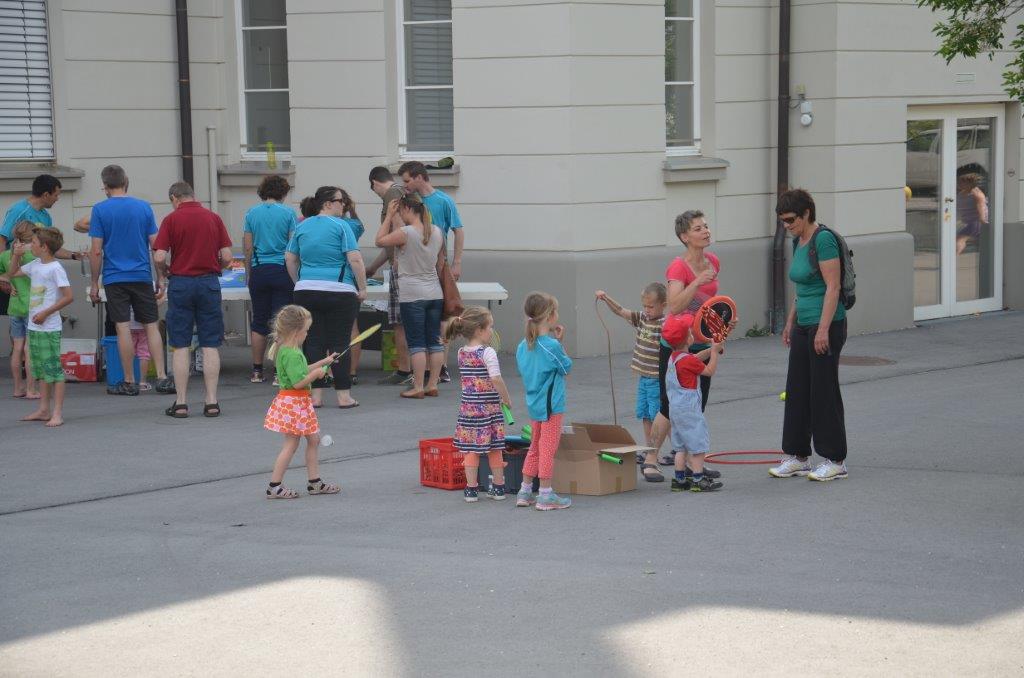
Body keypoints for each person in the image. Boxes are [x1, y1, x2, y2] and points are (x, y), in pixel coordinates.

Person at [770, 188, 849, 482]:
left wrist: (824, 329)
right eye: (782, 221)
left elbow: (833, 287)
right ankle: (797, 455)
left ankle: (834, 459)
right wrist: (791, 322)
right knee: (798, 389)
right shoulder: (797, 241)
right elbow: (801, 288)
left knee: (823, 391)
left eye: (791, 219)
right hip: (804, 322)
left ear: (806, 213)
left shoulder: (823, 240)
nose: (787, 225)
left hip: (825, 323)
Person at [647, 210, 731, 479]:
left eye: (706, 226)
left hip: (702, 340)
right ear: (684, 236)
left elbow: (708, 306)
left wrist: (724, 322)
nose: (705, 231)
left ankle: (695, 462)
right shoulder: (678, 267)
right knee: (669, 404)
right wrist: (696, 281)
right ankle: (650, 460)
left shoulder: (714, 261)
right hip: (676, 343)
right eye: (697, 228)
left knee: (696, 403)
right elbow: (674, 305)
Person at [87, 165, 174, 396]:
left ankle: (129, 381)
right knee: (151, 326)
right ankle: (163, 378)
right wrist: (161, 277)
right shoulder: (143, 207)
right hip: (141, 275)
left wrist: (95, 282)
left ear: (105, 186)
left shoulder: (99, 210)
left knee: (123, 327)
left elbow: (96, 251)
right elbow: (156, 246)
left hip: (115, 277)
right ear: (126, 181)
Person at [153, 181, 233, 419]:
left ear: (174, 198)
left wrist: (165, 270)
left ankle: (181, 403)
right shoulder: (213, 218)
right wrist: (216, 267)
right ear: (192, 195)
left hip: (181, 283)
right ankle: (211, 402)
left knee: (180, 343)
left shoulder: (171, 219)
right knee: (210, 343)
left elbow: (158, 255)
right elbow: (227, 256)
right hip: (208, 282)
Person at [286, 186, 367, 409]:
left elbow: (290, 258)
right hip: (340, 290)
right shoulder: (342, 226)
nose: (344, 205)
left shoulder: (302, 226)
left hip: (306, 290)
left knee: (313, 342)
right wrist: (362, 287)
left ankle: (316, 397)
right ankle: (343, 396)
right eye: (341, 201)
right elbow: (355, 259)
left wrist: (299, 283)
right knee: (339, 342)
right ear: (328, 203)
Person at [263, 304, 341, 499]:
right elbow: (298, 382)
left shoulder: (288, 350)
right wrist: (317, 374)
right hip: (295, 403)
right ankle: (275, 486)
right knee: (291, 444)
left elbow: (301, 369)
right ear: (297, 331)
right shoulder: (291, 353)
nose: (307, 334)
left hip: (296, 403)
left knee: (313, 440)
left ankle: (314, 483)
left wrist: (324, 361)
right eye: (306, 330)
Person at [594, 283, 667, 482]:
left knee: (658, 417)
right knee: (645, 416)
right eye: (645, 306)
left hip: (655, 378)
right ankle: (651, 451)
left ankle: (663, 452)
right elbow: (621, 311)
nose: (647, 310)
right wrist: (606, 297)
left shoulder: (665, 324)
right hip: (643, 376)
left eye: (651, 307)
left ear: (663, 305)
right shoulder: (643, 318)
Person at [399, 160, 464, 384]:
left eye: (407, 180)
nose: (405, 185)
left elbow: (458, 230)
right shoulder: (410, 202)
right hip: (415, 266)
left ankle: (441, 365)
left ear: (419, 177)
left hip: (439, 264)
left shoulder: (443, 201)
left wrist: (456, 261)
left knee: (443, 314)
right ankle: (422, 369)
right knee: (422, 317)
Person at [1, 228, 73, 427]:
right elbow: (13, 273)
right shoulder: (35, 265)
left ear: (44, 247)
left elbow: (68, 296)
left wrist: (45, 313)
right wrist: (16, 255)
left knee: (54, 371)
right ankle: (43, 409)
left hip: (49, 327)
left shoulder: (56, 268)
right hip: (35, 326)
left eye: (33, 242)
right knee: (40, 370)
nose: (29, 245)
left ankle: (56, 412)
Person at [375, 195, 443, 399]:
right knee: (435, 341)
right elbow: (440, 263)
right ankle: (433, 384)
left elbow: (379, 240)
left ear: (406, 209)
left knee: (417, 342)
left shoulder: (406, 233)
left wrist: (388, 216)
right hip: (434, 292)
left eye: (400, 211)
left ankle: (418, 386)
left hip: (411, 294)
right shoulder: (437, 231)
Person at [445, 306, 512, 503]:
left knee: (470, 449)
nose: (492, 330)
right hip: (489, 409)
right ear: (479, 329)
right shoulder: (487, 352)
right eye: (490, 326)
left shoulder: (461, 352)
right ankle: (499, 488)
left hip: (468, 410)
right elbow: (496, 378)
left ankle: (471, 489)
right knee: (495, 448)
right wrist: (506, 398)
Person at [515, 292, 573, 511]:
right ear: (550, 316)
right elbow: (566, 367)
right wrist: (559, 343)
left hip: (534, 403)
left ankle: (525, 490)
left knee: (535, 447)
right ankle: (546, 494)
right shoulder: (551, 346)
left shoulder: (523, 346)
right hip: (552, 406)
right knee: (548, 449)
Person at [0, 175, 81, 318]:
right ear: (46, 194)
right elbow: (2, 240)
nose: (57, 198)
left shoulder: (46, 217)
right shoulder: (19, 210)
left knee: (34, 319)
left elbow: (50, 247)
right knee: (16, 323)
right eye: (56, 195)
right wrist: (5, 278)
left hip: (35, 279)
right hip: (16, 278)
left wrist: (74, 255)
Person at [661, 313, 724, 492]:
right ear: (688, 339)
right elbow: (709, 370)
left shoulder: (674, 358)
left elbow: (694, 360)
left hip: (675, 410)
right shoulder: (688, 360)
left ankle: (679, 480)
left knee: (680, 447)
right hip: (689, 410)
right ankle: (698, 479)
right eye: (690, 332)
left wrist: (713, 348)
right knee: (697, 445)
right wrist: (714, 353)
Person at [243, 174, 296, 384]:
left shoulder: (251, 213)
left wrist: (249, 271)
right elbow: (293, 247)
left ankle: (257, 370)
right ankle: (278, 372)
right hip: (282, 270)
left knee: (259, 321)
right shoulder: (289, 213)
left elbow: (248, 246)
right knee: (281, 323)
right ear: (283, 192)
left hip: (259, 270)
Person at [367, 166, 413, 386]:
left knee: (399, 321)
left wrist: (397, 261)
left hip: (402, 268)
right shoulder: (404, 192)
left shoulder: (391, 195)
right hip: (415, 266)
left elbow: (395, 235)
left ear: (375, 182)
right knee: (414, 320)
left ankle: (405, 370)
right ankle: (424, 370)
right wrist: (373, 267)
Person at [0, 222, 39, 399]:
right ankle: (31, 389)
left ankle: (17, 388)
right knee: (29, 350)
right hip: (33, 306)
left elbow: (5, 274)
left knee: (17, 348)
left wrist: (7, 282)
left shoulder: (7, 254)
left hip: (15, 306)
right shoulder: (36, 255)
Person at [337, 189, 366, 386]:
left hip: (333, 278)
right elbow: (360, 226)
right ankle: (352, 370)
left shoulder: (326, 224)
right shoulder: (353, 225)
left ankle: (332, 370)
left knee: (329, 329)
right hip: (350, 279)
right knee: (352, 326)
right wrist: (353, 211)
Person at [956, 170, 989, 255]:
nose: (958, 184)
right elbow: (953, 201)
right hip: (968, 222)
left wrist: (982, 219)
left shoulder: (976, 193)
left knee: (960, 239)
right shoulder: (962, 192)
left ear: (970, 183)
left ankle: (953, 256)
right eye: (959, 182)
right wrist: (946, 201)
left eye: (961, 182)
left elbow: (980, 205)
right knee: (980, 242)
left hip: (976, 222)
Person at [128, 308, 153, 391]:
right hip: (144, 323)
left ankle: (129, 381)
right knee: (144, 353)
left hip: (128, 323)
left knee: (128, 352)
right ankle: (142, 382)